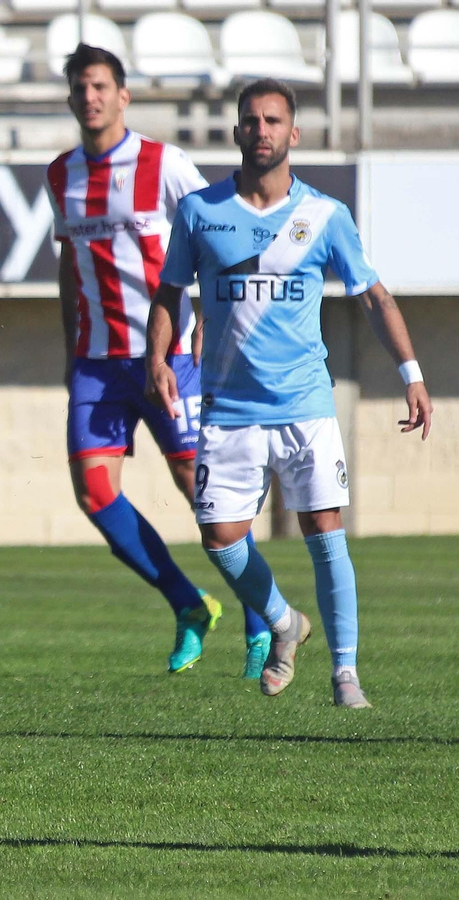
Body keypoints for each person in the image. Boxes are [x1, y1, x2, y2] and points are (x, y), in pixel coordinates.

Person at [146, 78, 433, 708]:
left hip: (305, 404)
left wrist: (410, 373)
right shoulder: (200, 211)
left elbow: (373, 296)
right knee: (220, 536)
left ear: (293, 133)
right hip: (227, 409)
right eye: (252, 120)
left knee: (324, 530)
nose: (263, 130)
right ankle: (282, 622)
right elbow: (169, 292)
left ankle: (346, 673)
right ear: (238, 131)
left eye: (274, 121)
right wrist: (159, 357)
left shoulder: (324, 215)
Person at [46, 44, 271, 676]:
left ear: (123, 95)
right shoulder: (61, 174)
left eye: (99, 86)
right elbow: (70, 265)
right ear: (71, 100)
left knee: (202, 494)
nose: (89, 97)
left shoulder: (164, 163)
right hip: (95, 362)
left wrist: (211, 325)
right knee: (95, 494)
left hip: (167, 357)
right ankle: (190, 605)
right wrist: (70, 352)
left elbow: (219, 238)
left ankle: (261, 620)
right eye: (79, 88)